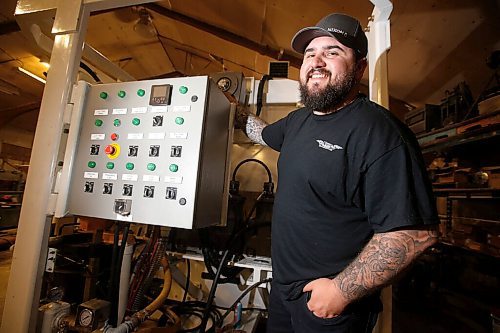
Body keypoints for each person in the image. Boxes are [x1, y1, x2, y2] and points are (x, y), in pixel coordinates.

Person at [235, 12, 440, 333]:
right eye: (309, 54)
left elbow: (414, 234)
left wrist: (339, 292)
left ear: (359, 67)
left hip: (328, 308)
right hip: (284, 292)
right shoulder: (297, 121)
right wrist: (235, 113)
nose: (317, 61)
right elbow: (262, 134)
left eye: (332, 52)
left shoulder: (380, 132)